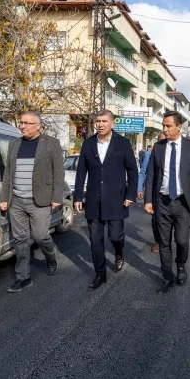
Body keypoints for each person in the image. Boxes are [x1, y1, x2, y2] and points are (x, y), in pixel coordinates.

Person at [0, 111, 65, 292]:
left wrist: (56, 197)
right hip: (17, 201)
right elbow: (8, 173)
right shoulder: (15, 144)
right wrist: (4, 197)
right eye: (21, 122)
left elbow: (59, 172)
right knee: (21, 240)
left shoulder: (51, 144)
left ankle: (51, 257)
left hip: (40, 200)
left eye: (27, 123)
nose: (22, 126)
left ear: (38, 126)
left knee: (40, 235)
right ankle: (23, 277)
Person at [73, 109, 139, 290]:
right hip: (94, 199)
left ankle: (119, 253)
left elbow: (133, 171)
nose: (100, 124)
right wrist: (78, 196)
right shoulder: (87, 144)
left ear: (112, 123)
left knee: (116, 236)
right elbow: (81, 172)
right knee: (95, 240)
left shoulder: (123, 143)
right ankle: (100, 274)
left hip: (117, 199)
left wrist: (130, 195)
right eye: (98, 121)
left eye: (104, 121)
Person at [144, 112, 190, 294]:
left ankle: (180, 265)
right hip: (162, 202)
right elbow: (151, 176)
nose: (164, 129)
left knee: (181, 240)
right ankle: (167, 276)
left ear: (179, 127)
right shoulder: (158, 147)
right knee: (164, 243)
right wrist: (149, 200)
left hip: (182, 202)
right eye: (163, 126)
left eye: (168, 126)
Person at [137, 131, 167, 253]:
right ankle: (158, 241)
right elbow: (143, 171)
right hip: (154, 191)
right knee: (155, 219)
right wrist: (139, 188)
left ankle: (166, 240)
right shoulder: (149, 154)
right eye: (160, 140)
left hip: (169, 191)